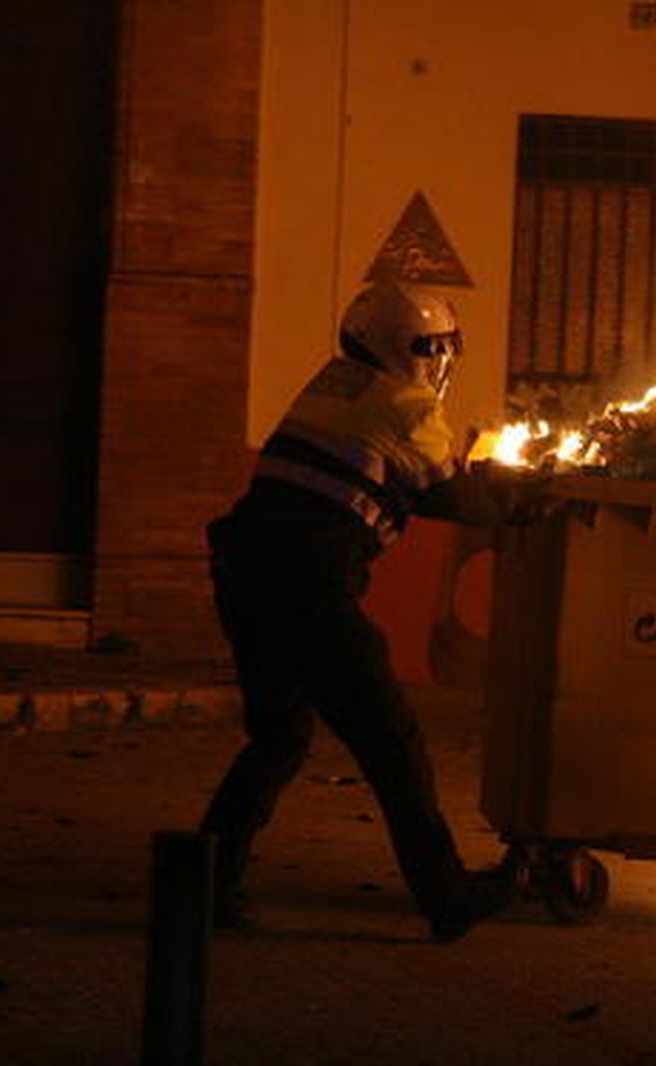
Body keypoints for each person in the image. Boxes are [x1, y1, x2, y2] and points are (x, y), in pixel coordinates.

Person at [201, 278, 514, 942]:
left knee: (278, 737)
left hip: (244, 573)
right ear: (416, 349)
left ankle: (202, 885)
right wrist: (514, 491)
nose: (442, 361)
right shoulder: (407, 404)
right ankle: (446, 894)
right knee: (391, 742)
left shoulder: (331, 382)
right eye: (438, 348)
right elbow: (456, 503)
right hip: (307, 588)